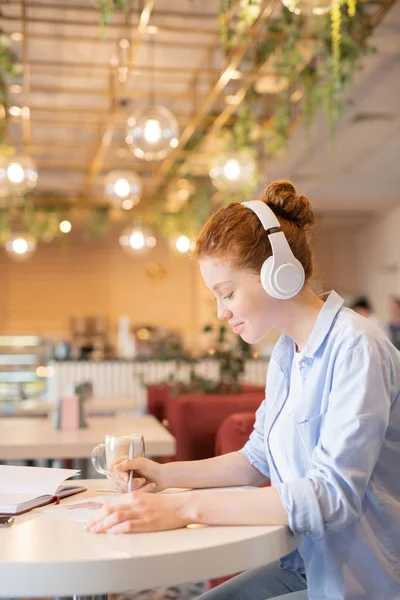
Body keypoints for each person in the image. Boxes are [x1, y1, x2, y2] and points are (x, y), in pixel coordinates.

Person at [86, 180, 400, 600]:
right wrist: (165, 476)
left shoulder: (357, 346)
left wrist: (181, 508)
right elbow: (257, 461)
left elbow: (331, 497)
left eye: (227, 292)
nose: (221, 311)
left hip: (363, 581)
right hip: (308, 564)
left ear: (280, 274)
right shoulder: (288, 353)